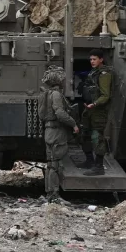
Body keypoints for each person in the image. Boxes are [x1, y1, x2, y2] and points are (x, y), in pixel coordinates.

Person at [38, 66, 79, 203]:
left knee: (50, 163)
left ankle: (49, 193)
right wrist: (73, 123)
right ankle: (54, 195)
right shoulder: (56, 95)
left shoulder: (45, 94)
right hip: (56, 131)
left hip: (48, 131)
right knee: (55, 165)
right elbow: (60, 113)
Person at [80, 49, 112, 176]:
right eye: (91, 59)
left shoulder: (104, 74)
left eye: (94, 59)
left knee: (97, 137)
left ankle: (99, 166)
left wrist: (95, 104)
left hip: (98, 111)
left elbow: (105, 95)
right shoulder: (93, 72)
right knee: (85, 134)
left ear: (101, 59)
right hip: (89, 108)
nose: (92, 61)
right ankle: (89, 161)